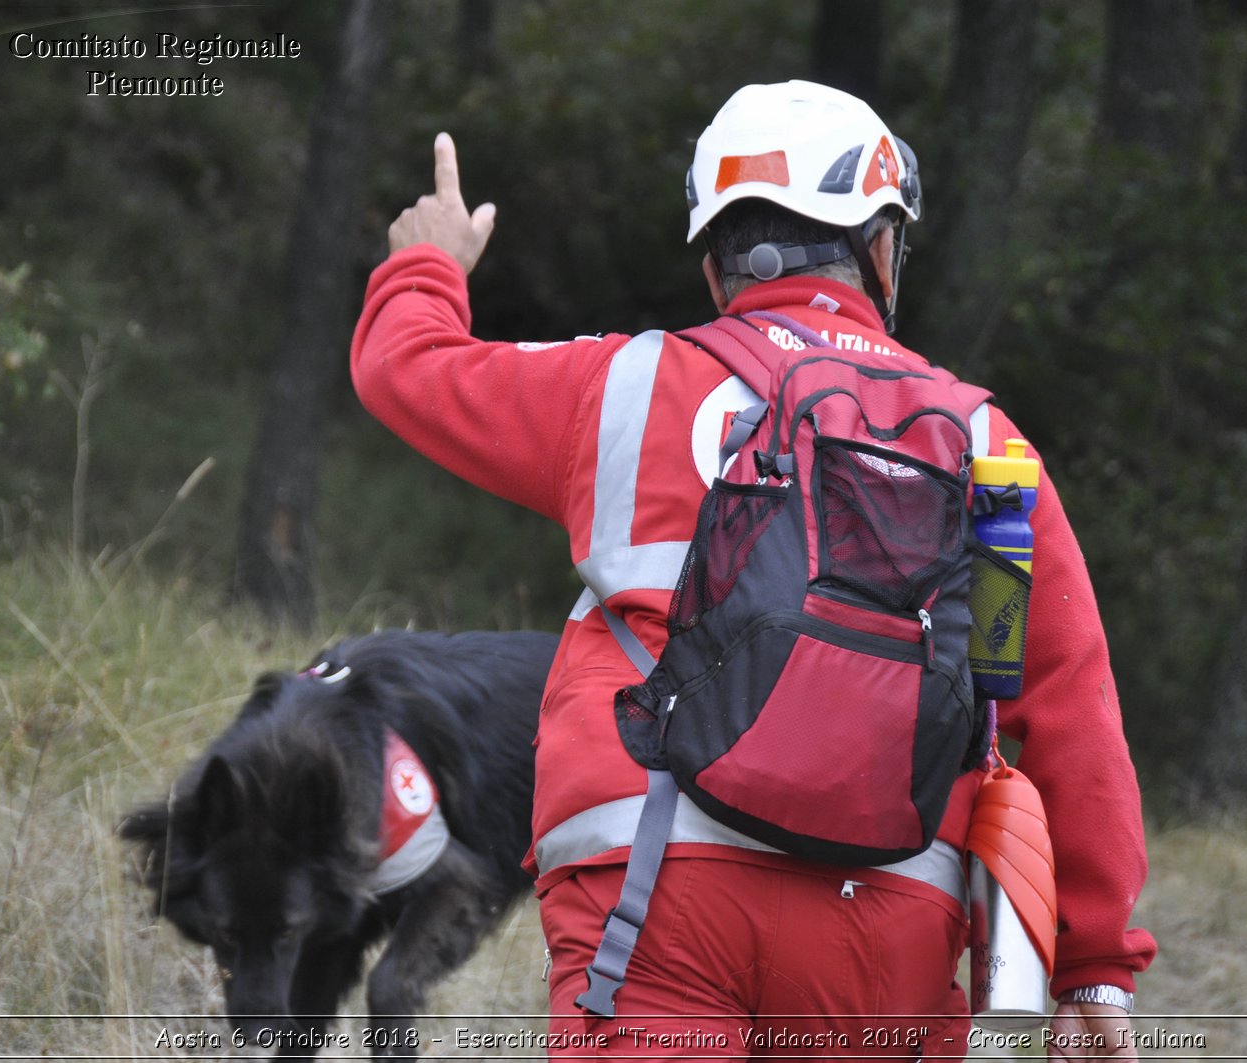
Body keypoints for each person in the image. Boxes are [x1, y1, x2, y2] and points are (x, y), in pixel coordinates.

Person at [351, 80, 1156, 1061]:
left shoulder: (625, 386)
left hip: (651, 880)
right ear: (879, 246)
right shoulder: (986, 446)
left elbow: (406, 367)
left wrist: (428, 260)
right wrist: (1091, 967)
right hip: (889, 914)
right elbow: (1064, 713)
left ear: (713, 260)